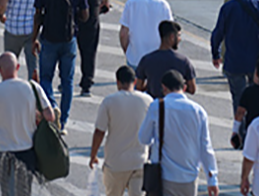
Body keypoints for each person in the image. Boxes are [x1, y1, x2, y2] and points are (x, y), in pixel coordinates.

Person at [0, 52, 56, 196]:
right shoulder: (32, 87)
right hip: (27, 152)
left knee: (7, 193)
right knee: (24, 192)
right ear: (18, 67)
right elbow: (50, 116)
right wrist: (35, 113)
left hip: (4, 153)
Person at [137, 70, 220, 196]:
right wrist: (212, 179)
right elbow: (206, 148)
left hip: (164, 176)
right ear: (184, 87)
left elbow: (143, 138)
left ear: (163, 87)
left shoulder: (157, 107)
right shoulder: (198, 111)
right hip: (189, 177)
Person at [31, 0, 89, 132]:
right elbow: (85, 16)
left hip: (48, 38)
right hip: (69, 39)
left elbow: (38, 16)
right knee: (67, 81)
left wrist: (34, 38)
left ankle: (51, 103)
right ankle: (63, 121)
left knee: (46, 77)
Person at [210, 0, 259, 109]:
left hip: (234, 60)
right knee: (257, 97)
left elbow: (218, 33)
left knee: (238, 98)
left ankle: (239, 127)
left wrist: (215, 54)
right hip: (256, 59)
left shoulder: (228, 8)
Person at [89, 65, 153, 196]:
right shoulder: (147, 101)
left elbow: (99, 132)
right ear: (135, 81)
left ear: (117, 82)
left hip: (116, 164)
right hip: (140, 162)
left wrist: (93, 155)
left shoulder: (109, 101)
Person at [120, 0, 173, 67]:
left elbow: (124, 33)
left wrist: (128, 51)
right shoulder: (163, 5)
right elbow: (170, 32)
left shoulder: (131, 4)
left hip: (135, 58)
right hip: (158, 59)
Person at [135, 20, 196, 99]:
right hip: (175, 105)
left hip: (154, 104)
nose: (180, 39)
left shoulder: (146, 59)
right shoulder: (183, 61)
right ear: (172, 37)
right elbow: (192, 89)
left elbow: (139, 87)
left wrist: (150, 85)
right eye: (178, 36)